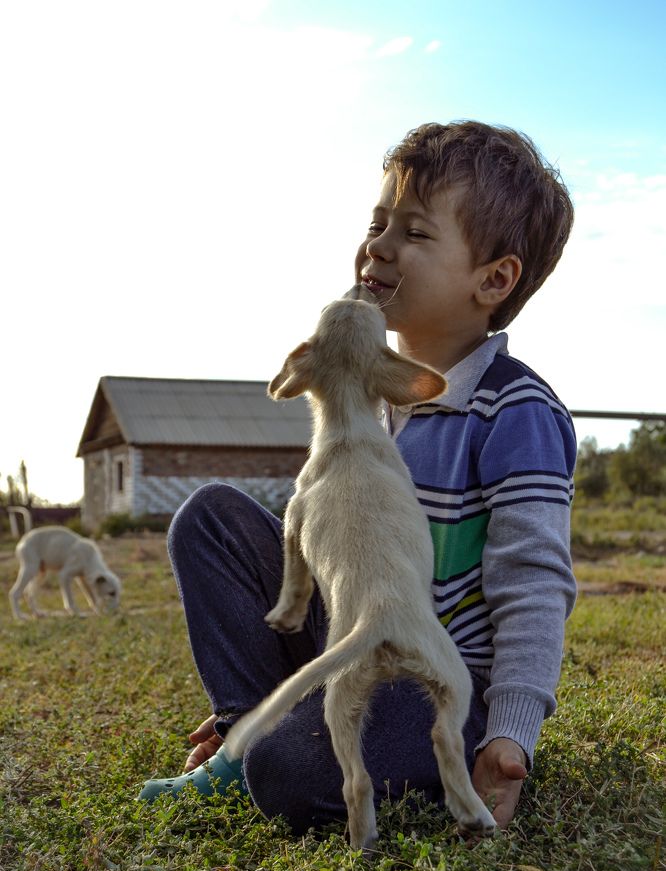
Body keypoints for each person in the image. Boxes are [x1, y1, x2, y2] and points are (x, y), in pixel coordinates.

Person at [139, 120, 577, 832]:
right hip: (347, 633)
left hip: (433, 676)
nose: (378, 245)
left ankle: (279, 751)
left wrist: (512, 731)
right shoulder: (372, 395)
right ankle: (250, 723)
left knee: (295, 773)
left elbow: (534, 580)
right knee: (210, 516)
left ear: (493, 279)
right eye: (377, 224)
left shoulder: (515, 410)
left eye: (414, 232)